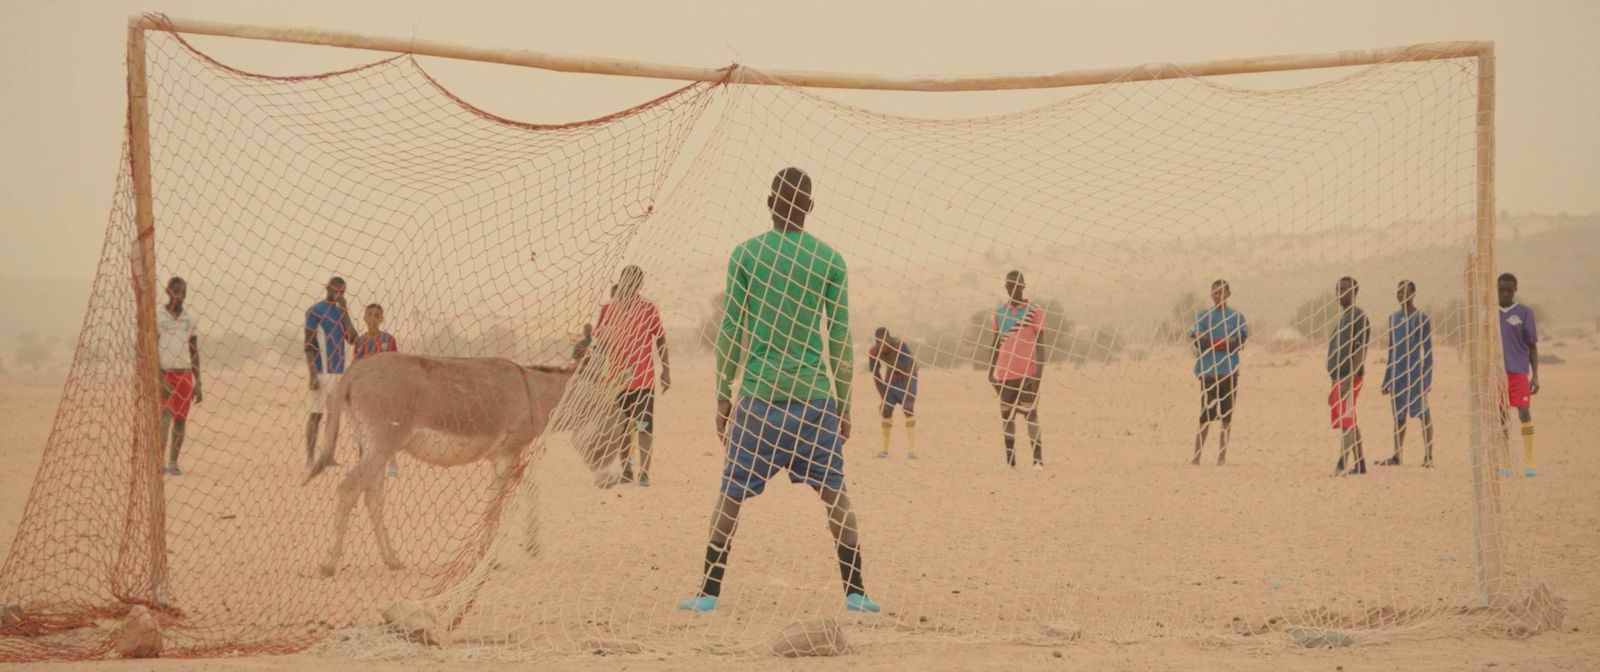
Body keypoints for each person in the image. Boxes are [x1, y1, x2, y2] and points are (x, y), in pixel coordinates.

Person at [678, 167, 879, 613]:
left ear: (769, 202)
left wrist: (723, 396)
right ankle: (856, 591)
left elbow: (732, 327)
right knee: (836, 494)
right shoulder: (829, 259)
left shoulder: (746, 255)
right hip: (814, 398)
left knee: (730, 494)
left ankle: (709, 593)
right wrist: (844, 405)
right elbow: (838, 337)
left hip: (758, 397)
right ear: (809, 207)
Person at [594, 265, 671, 486]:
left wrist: (666, 370)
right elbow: (598, 344)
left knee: (643, 426)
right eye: (626, 280)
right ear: (621, 280)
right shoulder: (607, 309)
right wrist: (598, 373)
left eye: (635, 282)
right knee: (622, 428)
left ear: (639, 284)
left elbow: (661, 339)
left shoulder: (648, 308)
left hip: (643, 379)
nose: (630, 285)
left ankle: (644, 472)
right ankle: (626, 470)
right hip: (616, 382)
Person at [985, 270, 1046, 470]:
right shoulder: (999, 312)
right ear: (1006, 287)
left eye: (1017, 286)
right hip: (1004, 374)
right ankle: (1010, 462)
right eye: (1009, 286)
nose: (1013, 289)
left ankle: (1038, 461)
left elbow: (1041, 345)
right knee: (1006, 417)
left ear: (1023, 286)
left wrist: (1038, 374)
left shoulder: (1034, 310)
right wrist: (990, 372)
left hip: (1027, 373)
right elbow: (995, 343)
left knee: (1030, 415)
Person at [1188, 279, 1247, 466]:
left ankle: (1222, 457)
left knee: (1226, 417)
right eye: (1215, 292)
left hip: (1228, 373)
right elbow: (1199, 341)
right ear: (1211, 294)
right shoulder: (1203, 316)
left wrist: (1212, 341)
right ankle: (1196, 456)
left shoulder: (1237, 317)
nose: (1218, 295)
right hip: (1208, 373)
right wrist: (1223, 342)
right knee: (1205, 415)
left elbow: (1238, 343)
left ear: (1228, 294)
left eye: (1222, 292)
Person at [1379, 281, 1434, 468]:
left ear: (1413, 293)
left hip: (1415, 374)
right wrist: (1387, 378)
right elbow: (1392, 349)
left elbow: (1427, 351)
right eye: (1398, 292)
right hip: (1397, 374)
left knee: (1423, 414)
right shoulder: (1393, 319)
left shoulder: (1421, 318)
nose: (1401, 295)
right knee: (1398, 417)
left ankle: (1428, 456)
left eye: (1405, 292)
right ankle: (1397, 456)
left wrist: (1427, 378)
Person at [305, 276, 356, 468]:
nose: (339, 294)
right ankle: (310, 458)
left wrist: (344, 312)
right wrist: (312, 374)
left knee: (334, 416)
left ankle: (328, 456)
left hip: (339, 371)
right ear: (328, 288)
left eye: (342, 292)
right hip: (320, 370)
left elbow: (353, 339)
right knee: (315, 415)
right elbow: (308, 344)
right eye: (336, 291)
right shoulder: (315, 311)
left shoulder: (340, 313)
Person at [157, 276, 202, 475]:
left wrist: (198, 382)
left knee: (180, 420)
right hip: (166, 373)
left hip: (184, 374)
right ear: (167, 292)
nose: (180, 296)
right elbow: (151, 347)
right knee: (164, 416)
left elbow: (194, 351)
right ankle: (159, 462)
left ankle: (173, 462)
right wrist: (159, 378)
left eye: (183, 292)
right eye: (176, 291)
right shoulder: (157, 316)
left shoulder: (190, 320)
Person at [1327, 276, 1371, 476]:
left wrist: (1349, 379)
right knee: (1350, 418)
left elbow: (1359, 350)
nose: (1340, 293)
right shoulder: (1343, 318)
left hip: (1349, 376)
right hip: (1338, 376)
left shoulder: (1358, 316)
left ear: (1354, 291)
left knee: (1346, 420)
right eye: (1338, 289)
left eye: (1344, 289)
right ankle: (1360, 463)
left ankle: (1341, 464)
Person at [1498, 273, 1539, 477]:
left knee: (1524, 412)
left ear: (1515, 290)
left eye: (1509, 290)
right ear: (1496, 289)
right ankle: (1505, 463)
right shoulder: (1488, 312)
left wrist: (1536, 375)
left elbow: (1532, 346)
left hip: (1519, 371)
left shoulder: (1524, 313)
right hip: (1495, 374)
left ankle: (1529, 462)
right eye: (1502, 290)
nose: (1505, 293)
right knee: (1501, 417)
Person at [352, 302, 401, 477]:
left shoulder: (389, 340)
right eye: (369, 315)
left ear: (381, 319)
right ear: (365, 318)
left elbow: (396, 364)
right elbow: (357, 364)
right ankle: (362, 463)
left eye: (376, 316)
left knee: (387, 426)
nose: (373, 318)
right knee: (363, 426)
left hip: (385, 390)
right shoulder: (359, 341)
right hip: (366, 391)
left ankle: (392, 462)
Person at [868, 327, 919, 459]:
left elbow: (907, 369)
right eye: (878, 342)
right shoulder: (873, 352)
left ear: (889, 340)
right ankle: (884, 450)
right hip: (892, 377)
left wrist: (908, 395)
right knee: (886, 410)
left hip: (908, 376)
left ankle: (911, 451)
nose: (881, 345)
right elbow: (876, 374)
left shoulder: (899, 345)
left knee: (908, 408)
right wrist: (883, 398)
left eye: (883, 342)